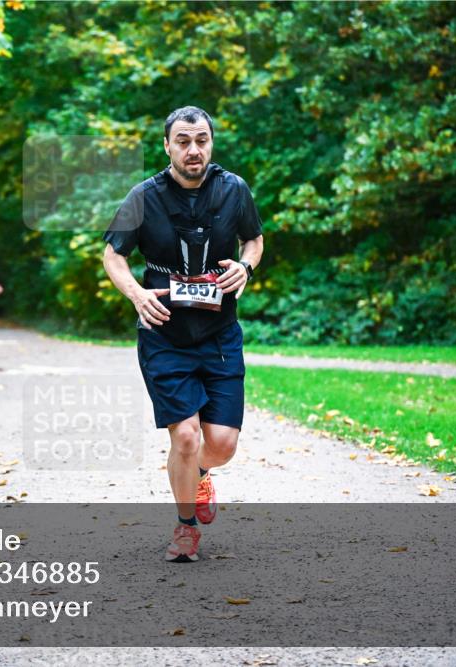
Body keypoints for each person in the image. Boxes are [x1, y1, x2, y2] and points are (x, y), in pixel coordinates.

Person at [102, 106, 264, 562]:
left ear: (211, 143)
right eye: (183, 141)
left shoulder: (234, 189)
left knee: (222, 445)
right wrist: (137, 294)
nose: (194, 150)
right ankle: (186, 526)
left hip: (220, 333)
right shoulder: (143, 196)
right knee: (187, 437)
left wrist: (246, 266)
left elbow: (254, 239)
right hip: (164, 333)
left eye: (201, 140)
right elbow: (113, 255)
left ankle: (201, 474)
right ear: (167, 146)